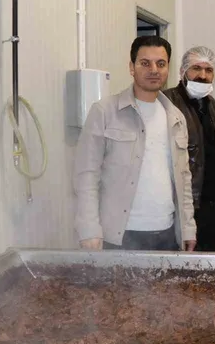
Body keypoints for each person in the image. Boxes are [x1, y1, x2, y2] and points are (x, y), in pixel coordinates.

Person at [73, 36, 197, 251]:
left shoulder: (175, 117)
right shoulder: (105, 112)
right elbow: (86, 175)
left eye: (161, 63)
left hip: (167, 233)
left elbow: (184, 179)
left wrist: (187, 228)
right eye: (145, 63)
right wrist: (89, 228)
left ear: (168, 68)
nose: (154, 70)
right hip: (119, 236)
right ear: (131, 67)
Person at [164, 46, 215, 252]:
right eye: (196, 68)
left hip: (210, 206)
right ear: (183, 71)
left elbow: (213, 153)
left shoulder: (211, 104)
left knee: (210, 264)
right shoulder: (166, 102)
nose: (203, 75)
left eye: (208, 70)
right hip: (182, 206)